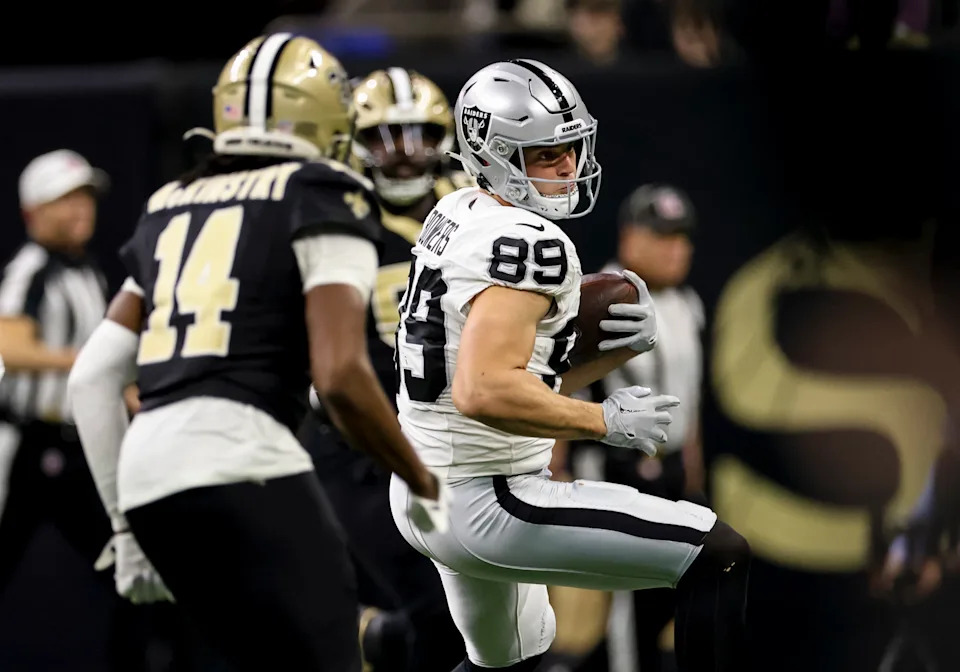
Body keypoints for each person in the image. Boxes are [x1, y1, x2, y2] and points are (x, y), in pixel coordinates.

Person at [67, 33, 444, 672]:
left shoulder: (168, 201)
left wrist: (126, 532)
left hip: (148, 474)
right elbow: (341, 374)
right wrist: (421, 479)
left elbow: (92, 379)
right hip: (249, 459)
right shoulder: (325, 191)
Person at [388, 58, 751, 672]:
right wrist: (603, 421)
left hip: (424, 490)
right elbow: (483, 390)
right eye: (544, 155)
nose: (568, 168)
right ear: (494, 153)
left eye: (571, 149)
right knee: (718, 553)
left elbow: (487, 377)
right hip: (489, 497)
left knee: (508, 662)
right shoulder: (532, 241)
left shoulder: (453, 214)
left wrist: (605, 352)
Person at [298, 66, 469, 671]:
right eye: (383, 138)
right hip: (360, 441)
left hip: (456, 436)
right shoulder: (336, 212)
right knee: (422, 610)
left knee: (466, 615)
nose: (401, 156)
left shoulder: (476, 207)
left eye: (417, 135)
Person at [0, 149, 148, 670]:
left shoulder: (86, 272)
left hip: (76, 446)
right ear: (34, 210)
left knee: (132, 571)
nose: (82, 207)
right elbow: (9, 348)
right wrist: (88, 362)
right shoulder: (32, 270)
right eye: (67, 197)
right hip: (24, 447)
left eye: (86, 195)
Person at [553, 183, 706, 672]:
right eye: (661, 236)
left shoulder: (689, 304)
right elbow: (560, 387)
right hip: (611, 468)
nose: (674, 248)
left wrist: (692, 472)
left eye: (681, 237)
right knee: (613, 614)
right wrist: (555, 468)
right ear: (630, 237)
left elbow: (690, 400)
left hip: (672, 472)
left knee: (665, 611)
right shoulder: (604, 299)